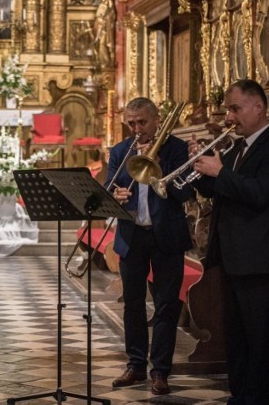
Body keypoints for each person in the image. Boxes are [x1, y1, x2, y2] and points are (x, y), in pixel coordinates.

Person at [188, 79, 269, 404]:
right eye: (228, 108)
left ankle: (256, 399)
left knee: (260, 338)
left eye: (235, 108)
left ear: (258, 106)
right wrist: (203, 173)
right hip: (231, 256)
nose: (230, 116)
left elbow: (260, 194)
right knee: (237, 336)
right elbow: (222, 190)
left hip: (259, 259)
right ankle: (239, 395)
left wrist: (220, 172)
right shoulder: (238, 147)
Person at [107, 97, 193, 395]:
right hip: (132, 236)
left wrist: (158, 169)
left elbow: (185, 195)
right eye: (131, 123)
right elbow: (107, 189)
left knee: (166, 306)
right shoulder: (120, 151)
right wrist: (114, 195)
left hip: (167, 235)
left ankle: (160, 370)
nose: (137, 128)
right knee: (132, 304)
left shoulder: (177, 149)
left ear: (156, 120)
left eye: (142, 122)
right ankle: (135, 365)